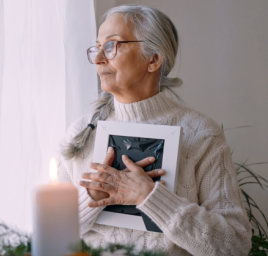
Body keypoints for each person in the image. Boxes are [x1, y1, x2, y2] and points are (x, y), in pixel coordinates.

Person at [58, 5, 252, 255]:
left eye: (111, 45)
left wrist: (151, 197)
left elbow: (234, 244)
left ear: (153, 59)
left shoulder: (202, 135)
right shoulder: (80, 133)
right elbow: (52, 236)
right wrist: (93, 197)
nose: (98, 59)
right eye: (97, 47)